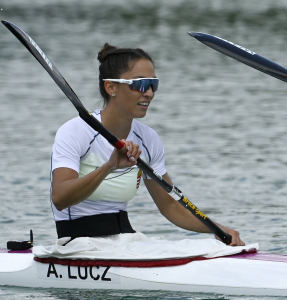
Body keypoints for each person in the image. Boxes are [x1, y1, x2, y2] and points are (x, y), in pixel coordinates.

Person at [50, 43, 244, 246]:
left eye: (153, 85)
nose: (149, 93)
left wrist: (217, 228)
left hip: (123, 239)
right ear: (111, 87)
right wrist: (109, 167)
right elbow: (60, 198)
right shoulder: (76, 131)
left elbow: (169, 204)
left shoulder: (148, 139)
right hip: (75, 243)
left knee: (204, 248)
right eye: (140, 84)